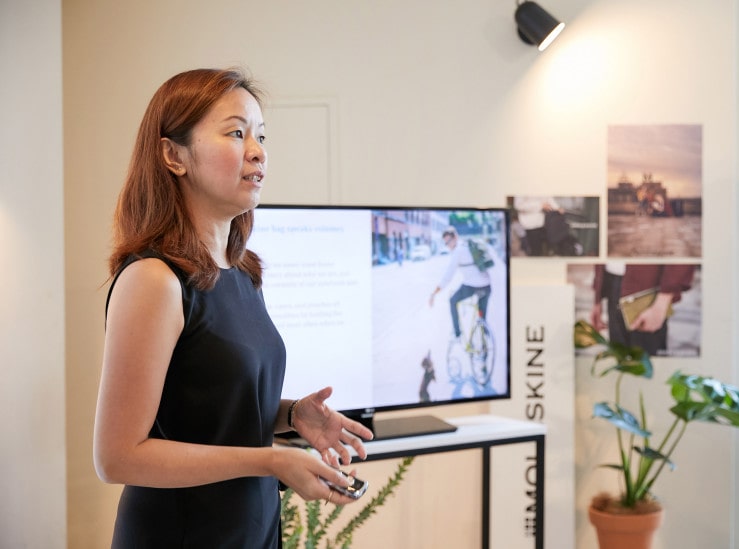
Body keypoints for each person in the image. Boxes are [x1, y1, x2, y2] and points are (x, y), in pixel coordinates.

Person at [93, 68, 374, 549]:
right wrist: (269, 460)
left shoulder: (242, 272)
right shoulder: (154, 280)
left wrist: (291, 415)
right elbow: (117, 457)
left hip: (248, 531)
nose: (258, 151)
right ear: (173, 155)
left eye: (261, 136)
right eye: (237, 133)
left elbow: (205, 407)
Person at [591, 262, 695, 355]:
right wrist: (597, 299)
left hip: (647, 287)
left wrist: (662, 301)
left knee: (647, 361)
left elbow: (683, 250)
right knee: (619, 361)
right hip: (612, 283)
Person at [428, 226, 492, 343]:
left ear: (455, 237)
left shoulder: (458, 251)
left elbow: (447, 277)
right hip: (487, 286)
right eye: (445, 243)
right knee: (482, 317)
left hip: (472, 287)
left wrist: (434, 293)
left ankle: (457, 334)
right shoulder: (469, 245)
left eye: (448, 241)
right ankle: (486, 342)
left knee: (453, 301)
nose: (448, 245)